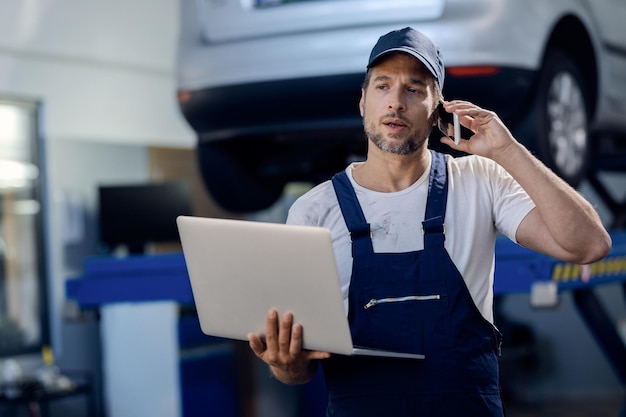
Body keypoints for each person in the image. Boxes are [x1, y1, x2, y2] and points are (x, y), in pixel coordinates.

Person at [247, 27, 612, 416]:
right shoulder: (314, 211)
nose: (396, 103)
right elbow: (299, 369)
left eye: (414, 89)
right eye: (383, 86)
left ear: (439, 108)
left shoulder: (480, 181)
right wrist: (285, 364)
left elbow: (588, 245)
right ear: (362, 102)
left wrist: (508, 150)